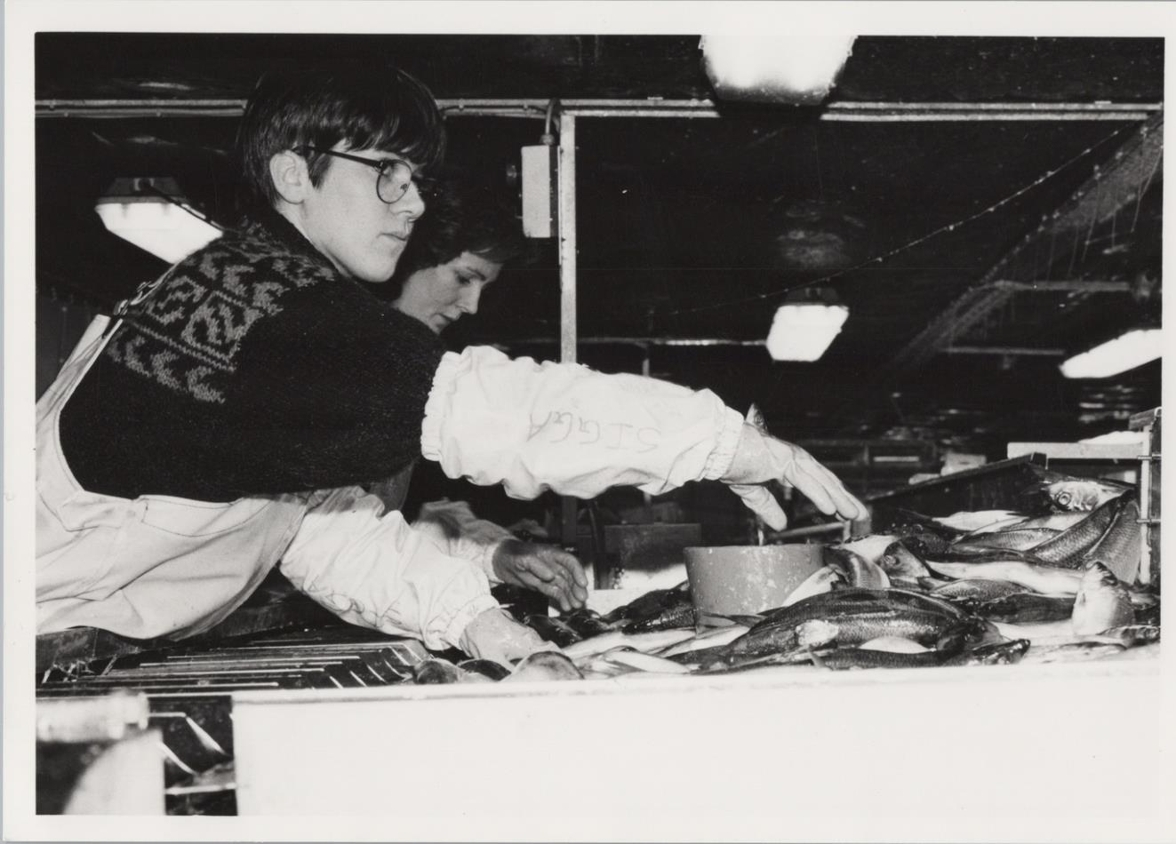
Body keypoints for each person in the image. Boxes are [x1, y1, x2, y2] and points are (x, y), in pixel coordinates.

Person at [35, 59, 866, 667]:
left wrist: (481, 625)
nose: (414, 202)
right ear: (293, 174)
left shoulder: (268, 294)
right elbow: (497, 412)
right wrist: (724, 443)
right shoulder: (264, 310)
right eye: (386, 173)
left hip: (80, 646)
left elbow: (324, 533)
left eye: (416, 178)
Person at [364, 177, 590, 612]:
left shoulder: (408, 366)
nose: (472, 306)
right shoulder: (327, 356)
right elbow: (326, 539)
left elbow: (388, 526)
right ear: (403, 256)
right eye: (464, 277)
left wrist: (495, 553)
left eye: (483, 287)